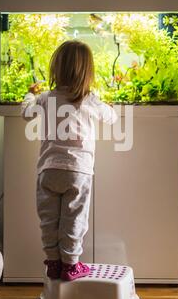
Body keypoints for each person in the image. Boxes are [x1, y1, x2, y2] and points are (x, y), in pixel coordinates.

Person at [21, 41, 117, 281]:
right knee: (75, 220)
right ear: (88, 72)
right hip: (78, 172)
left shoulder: (45, 98)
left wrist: (29, 95)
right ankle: (71, 265)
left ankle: (53, 263)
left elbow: (25, 113)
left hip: (48, 170)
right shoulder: (90, 100)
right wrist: (108, 107)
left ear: (56, 69)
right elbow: (112, 118)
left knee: (48, 220)